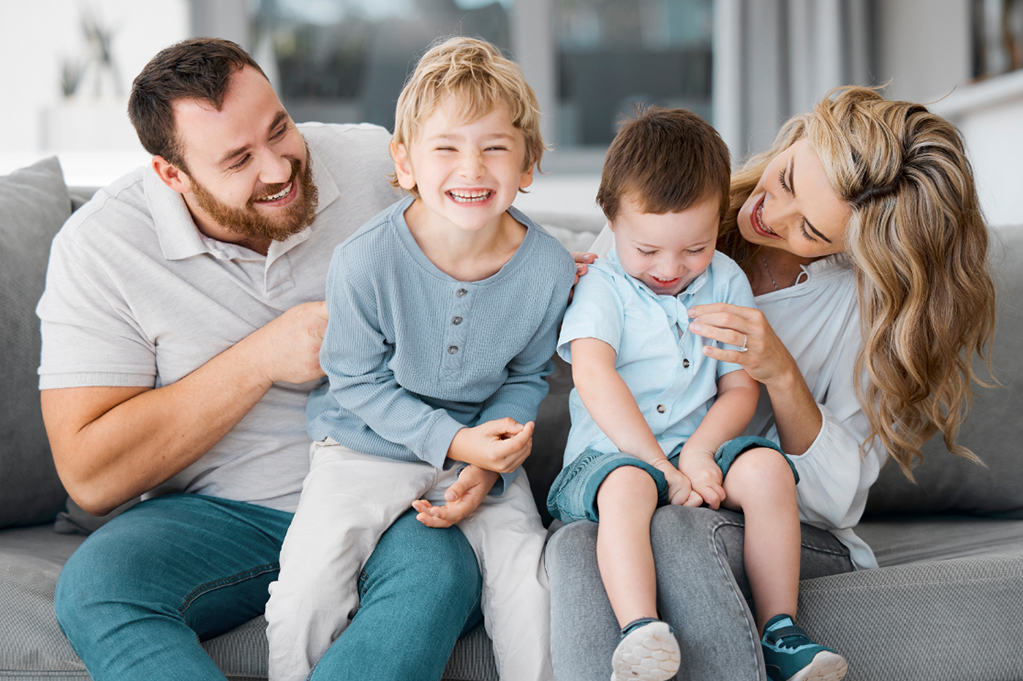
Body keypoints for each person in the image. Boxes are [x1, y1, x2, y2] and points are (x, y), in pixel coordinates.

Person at [39, 38, 488, 681]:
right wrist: (260, 359)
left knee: (441, 572)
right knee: (100, 587)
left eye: (280, 129)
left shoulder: (376, 164)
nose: (278, 169)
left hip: (389, 495)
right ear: (172, 174)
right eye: (239, 159)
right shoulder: (102, 246)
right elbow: (90, 476)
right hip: (219, 515)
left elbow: (508, 251)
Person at [548, 86, 996, 680]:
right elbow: (591, 349)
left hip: (776, 515)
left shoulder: (863, 309)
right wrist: (549, 276)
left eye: (810, 229)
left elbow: (836, 499)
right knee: (578, 543)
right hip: (649, 474)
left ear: (856, 247)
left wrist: (780, 373)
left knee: (680, 529)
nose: (769, 214)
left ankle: (778, 631)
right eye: (785, 180)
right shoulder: (678, 209)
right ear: (792, 140)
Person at [264, 37, 575, 681]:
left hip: (485, 459)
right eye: (447, 148)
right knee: (305, 593)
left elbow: (526, 377)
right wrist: (454, 440)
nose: (472, 168)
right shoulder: (366, 259)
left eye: (495, 147)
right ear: (404, 163)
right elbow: (353, 380)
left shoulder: (547, 266)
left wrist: (489, 458)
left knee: (532, 591)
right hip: (362, 447)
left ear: (528, 164)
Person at [547, 107, 847, 681]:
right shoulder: (601, 288)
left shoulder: (726, 279)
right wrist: (659, 461)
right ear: (609, 218)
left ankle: (781, 629)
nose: (670, 268)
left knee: (767, 470)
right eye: (649, 249)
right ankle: (640, 632)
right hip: (608, 460)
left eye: (695, 247)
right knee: (631, 483)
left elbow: (738, 386)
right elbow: (595, 377)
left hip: (693, 452)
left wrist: (699, 451)